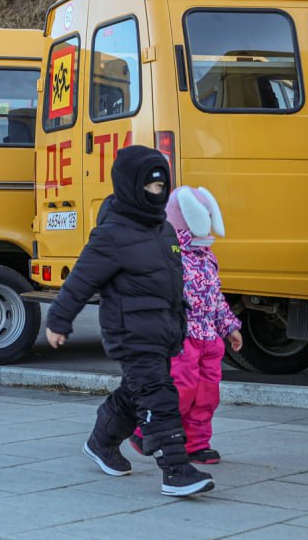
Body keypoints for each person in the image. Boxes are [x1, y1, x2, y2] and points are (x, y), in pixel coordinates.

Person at [45, 145, 215, 498]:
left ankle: (101, 441)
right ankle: (175, 469)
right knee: (159, 394)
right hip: (130, 333)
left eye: (162, 187)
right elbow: (80, 281)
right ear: (130, 187)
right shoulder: (111, 234)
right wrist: (59, 320)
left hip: (163, 331)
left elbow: (171, 282)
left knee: (135, 390)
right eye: (150, 188)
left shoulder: (164, 231)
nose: (158, 194)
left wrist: (180, 319)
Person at [130, 186, 242, 465]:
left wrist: (229, 327)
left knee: (207, 394)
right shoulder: (170, 254)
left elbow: (216, 297)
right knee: (182, 389)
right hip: (182, 337)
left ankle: (197, 443)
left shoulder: (208, 257)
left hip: (209, 339)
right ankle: (147, 430)